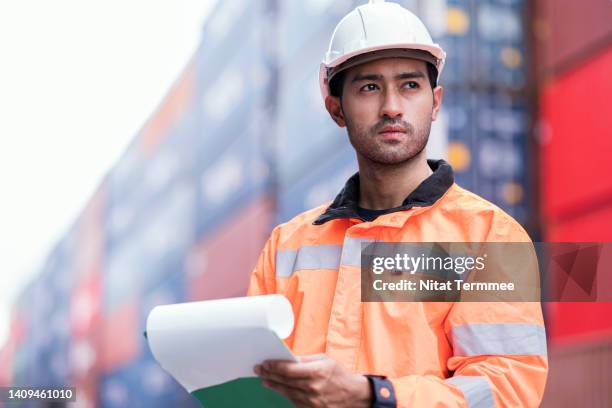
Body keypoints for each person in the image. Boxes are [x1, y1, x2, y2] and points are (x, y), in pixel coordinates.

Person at [249, 1, 548, 407]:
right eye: (369, 87)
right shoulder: (286, 247)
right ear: (336, 109)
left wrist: (375, 396)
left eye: (409, 85)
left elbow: (503, 390)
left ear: (435, 102)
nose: (392, 106)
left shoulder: (489, 237)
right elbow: (252, 384)